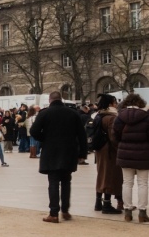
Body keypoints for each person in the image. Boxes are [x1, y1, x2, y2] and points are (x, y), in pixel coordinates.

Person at [30, 91, 88, 223]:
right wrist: (82, 153)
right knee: (66, 181)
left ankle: (54, 213)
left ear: (50, 100)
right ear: (61, 99)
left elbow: (33, 131)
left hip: (51, 151)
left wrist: (44, 138)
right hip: (69, 151)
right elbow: (81, 135)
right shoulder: (73, 113)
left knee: (53, 182)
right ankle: (65, 210)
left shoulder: (44, 113)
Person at [113, 93, 149, 223]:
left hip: (125, 153)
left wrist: (123, 143)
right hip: (144, 154)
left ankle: (127, 211)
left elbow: (115, 135)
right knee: (143, 183)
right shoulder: (146, 117)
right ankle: (142, 212)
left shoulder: (120, 117)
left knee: (127, 183)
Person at [93, 93, 123, 214]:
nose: (116, 105)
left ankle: (98, 202)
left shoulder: (98, 116)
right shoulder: (111, 117)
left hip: (99, 149)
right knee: (109, 177)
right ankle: (107, 205)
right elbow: (113, 137)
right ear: (111, 104)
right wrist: (119, 148)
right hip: (109, 151)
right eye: (115, 102)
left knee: (101, 174)